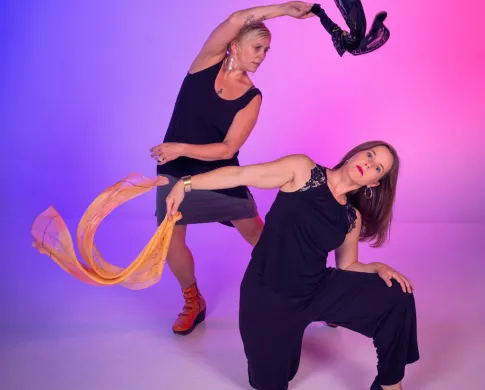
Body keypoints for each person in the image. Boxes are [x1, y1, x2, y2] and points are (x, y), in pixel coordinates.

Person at [164, 141, 419, 390]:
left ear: (374, 183)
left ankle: (389, 384)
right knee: (270, 381)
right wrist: (186, 184)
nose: (369, 164)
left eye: (377, 169)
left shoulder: (352, 217)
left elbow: (348, 264)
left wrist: (376, 267)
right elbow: (242, 174)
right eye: (370, 155)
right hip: (267, 294)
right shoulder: (303, 170)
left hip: (315, 290)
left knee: (397, 294)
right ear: (356, 153)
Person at [148, 2, 314, 335]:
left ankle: (309, 288)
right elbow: (236, 18)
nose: (262, 55)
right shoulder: (204, 63)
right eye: (257, 47)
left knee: (255, 232)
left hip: (219, 175)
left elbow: (228, 148)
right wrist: (284, 9)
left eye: (266, 51)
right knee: (170, 240)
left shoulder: (252, 96)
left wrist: (180, 147)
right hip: (174, 172)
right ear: (235, 45)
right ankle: (193, 299)